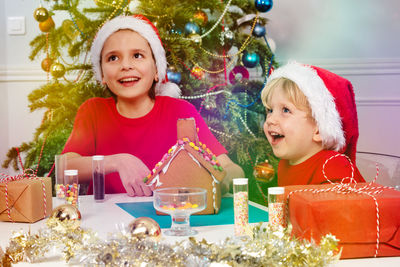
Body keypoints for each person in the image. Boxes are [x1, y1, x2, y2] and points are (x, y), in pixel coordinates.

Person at [62, 15, 244, 196]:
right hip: (108, 220)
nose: (126, 65)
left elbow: (229, 167)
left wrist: (226, 179)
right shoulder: (93, 111)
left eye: (137, 55)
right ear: (101, 73)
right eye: (113, 58)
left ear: (157, 70)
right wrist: (117, 162)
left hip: (169, 217)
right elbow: (65, 169)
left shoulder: (180, 111)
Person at [261, 61, 365, 186]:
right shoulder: (285, 164)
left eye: (286, 110)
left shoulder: (333, 166)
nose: (270, 120)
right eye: (270, 110)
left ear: (319, 130)